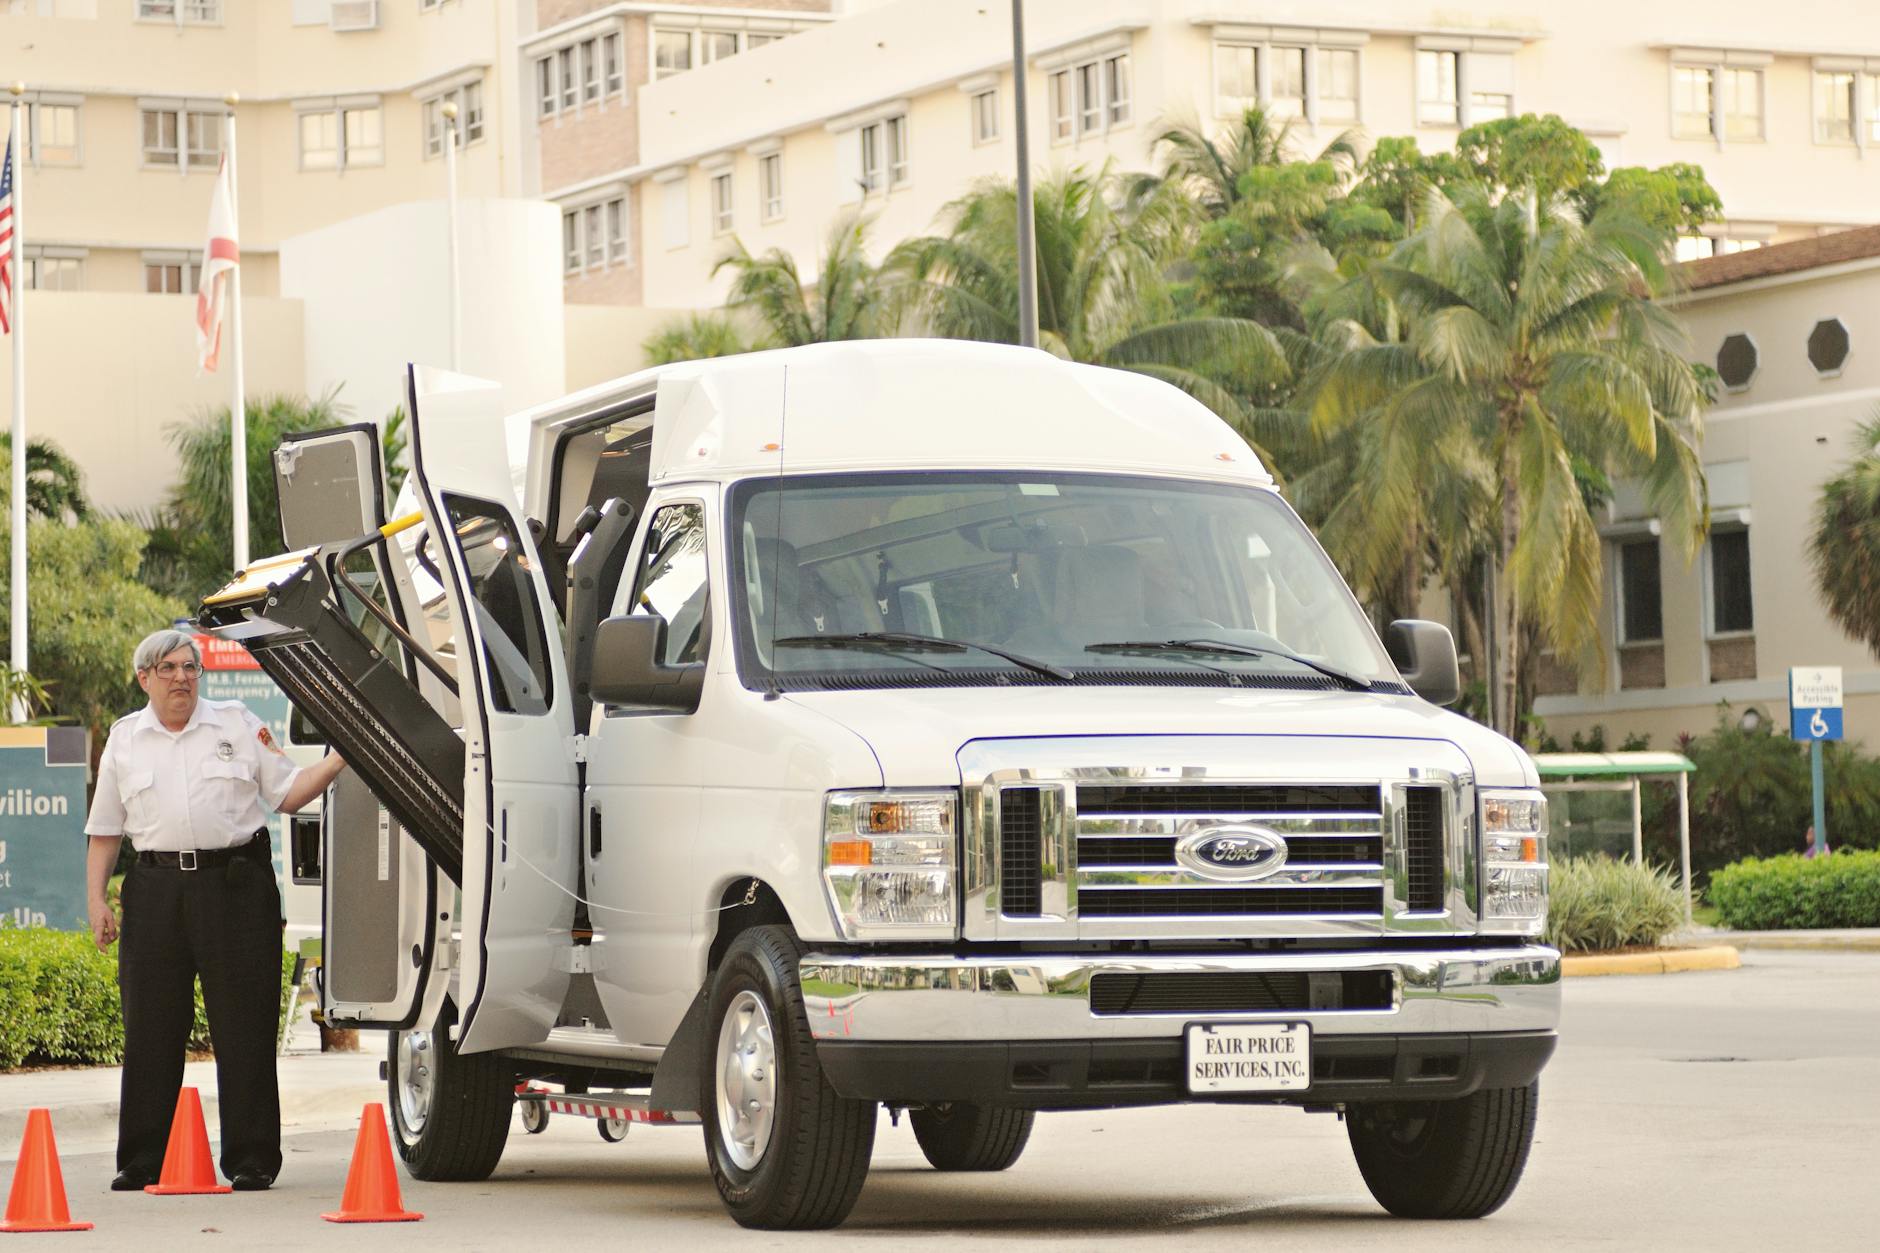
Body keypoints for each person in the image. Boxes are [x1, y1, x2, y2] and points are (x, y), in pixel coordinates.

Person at [84, 629, 346, 1193]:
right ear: (144, 678)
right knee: (150, 1027)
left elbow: (290, 793)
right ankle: (142, 1161)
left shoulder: (236, 724)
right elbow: (104, 832)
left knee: (245, 1025)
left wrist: (342, 755)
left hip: (236, 885)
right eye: (168, 668)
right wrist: (96, 900)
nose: (182, 677)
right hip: (155, 890)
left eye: (190, 667)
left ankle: (251, 1160)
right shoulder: (125, 740)